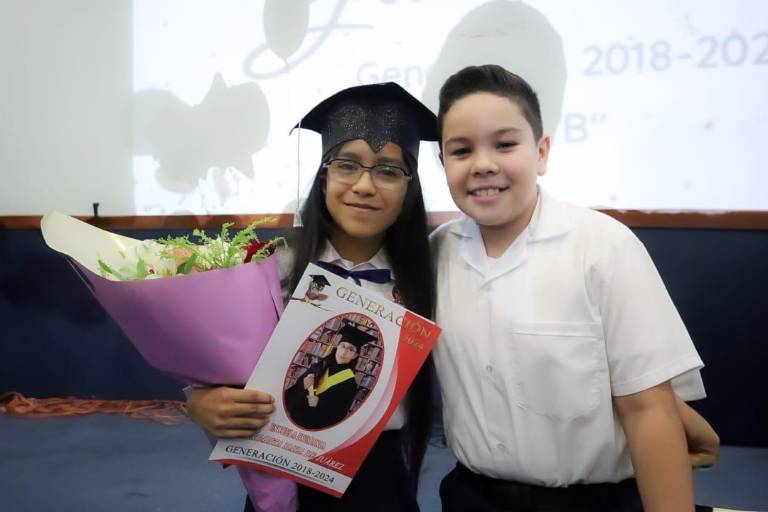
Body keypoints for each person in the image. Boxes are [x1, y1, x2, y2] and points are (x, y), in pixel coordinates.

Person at [430, 64, 716, 511]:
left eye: (505, 144)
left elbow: (647, 409)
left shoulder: (603, 247)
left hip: (593, 501)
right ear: (443, 163)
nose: (483, 164)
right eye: (461, 150)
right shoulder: (435, 256)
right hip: (471, 497)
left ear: (541, 152)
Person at [186, 82, 438, 511]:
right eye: (347, 165)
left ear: (409, 189)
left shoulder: (431, 277)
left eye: (388, 171)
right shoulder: (271, 272)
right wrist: (201, 401)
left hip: (383, 484)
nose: (364, 185)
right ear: (324, 175)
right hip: (285, 482)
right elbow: (216, 373)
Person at [284, 323, 375, 430]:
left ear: (355, 356)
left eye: (350, 349)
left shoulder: (349, 384)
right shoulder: (319, 366)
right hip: (291, 419)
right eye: (343, 346)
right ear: (337, 347)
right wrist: (303, 385)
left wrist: (318, 404)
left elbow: (338, 415)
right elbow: (294, 391)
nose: (344, 352)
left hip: (312, 428)